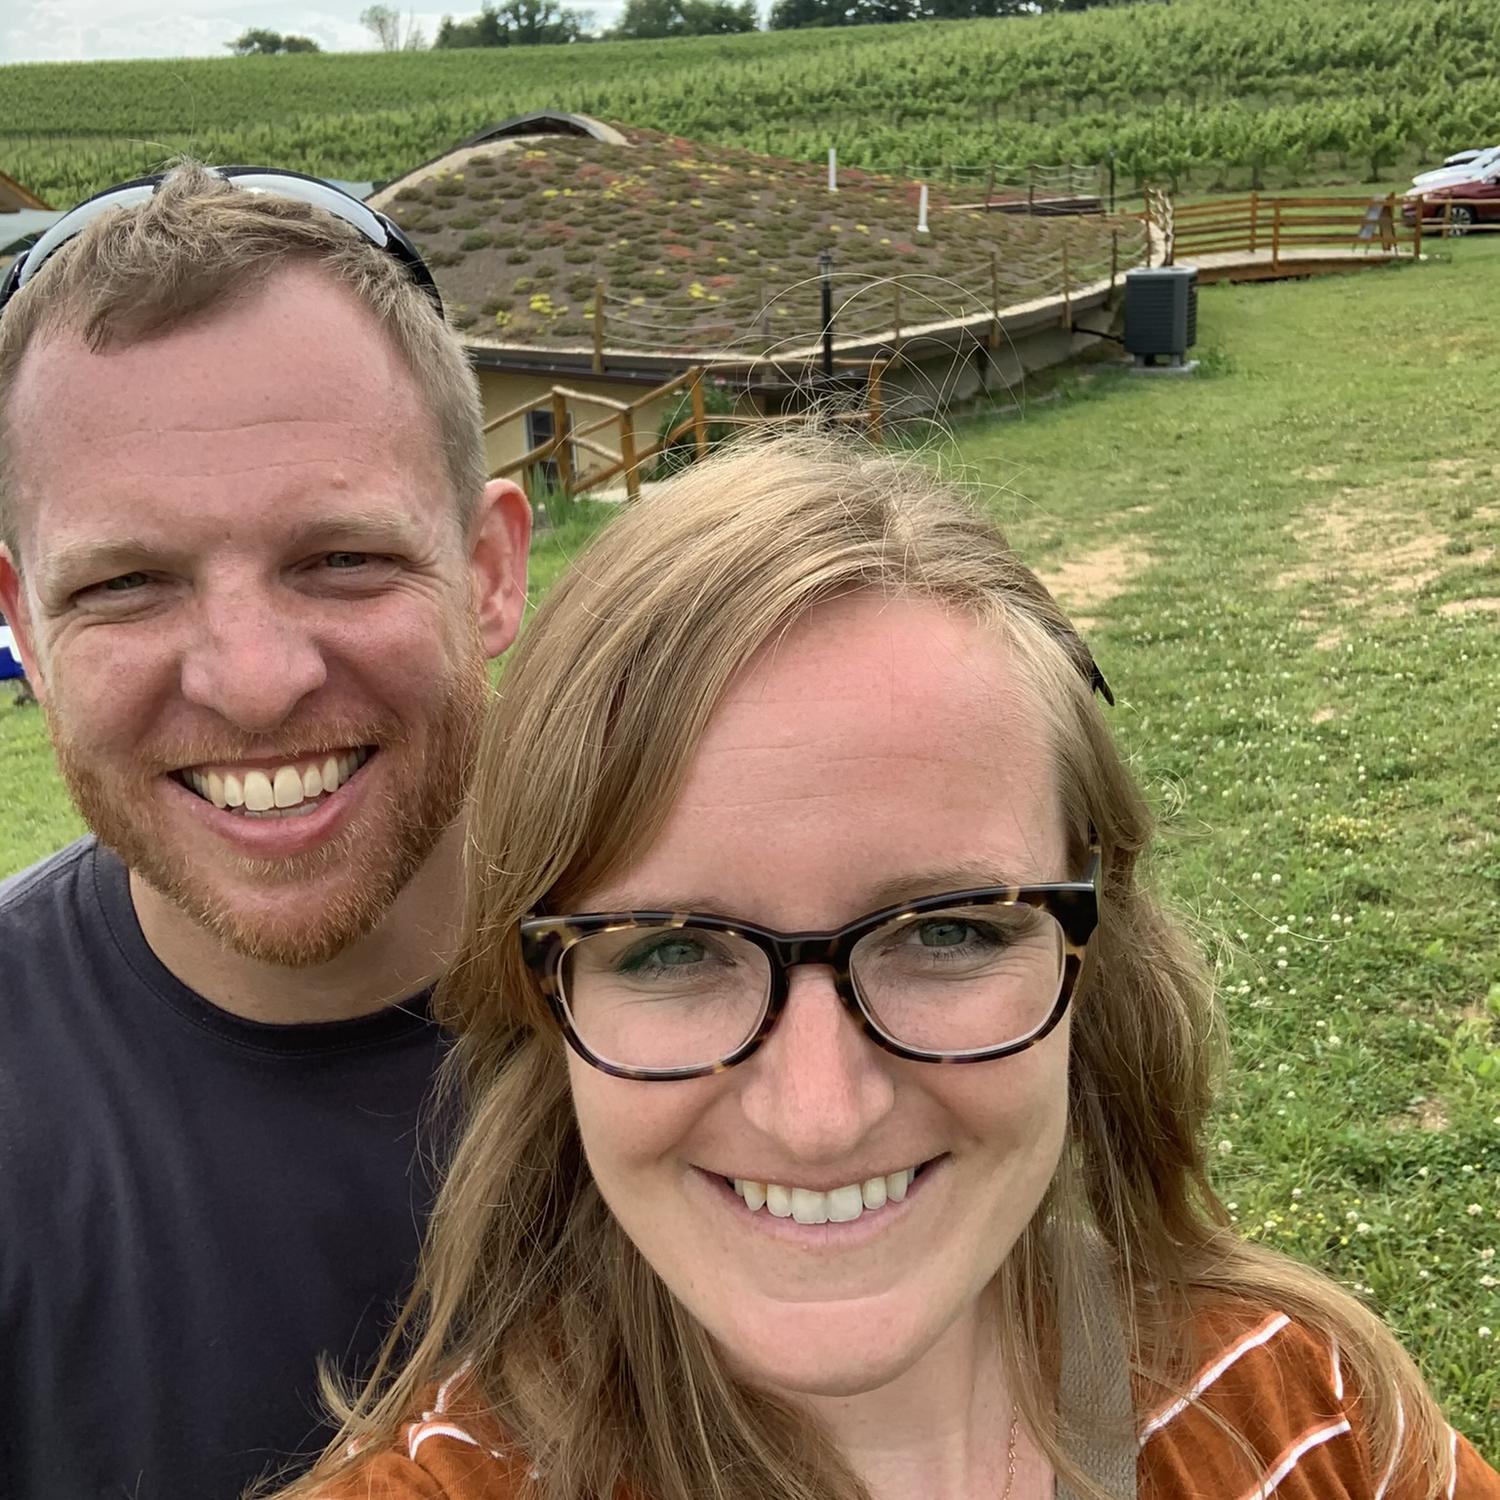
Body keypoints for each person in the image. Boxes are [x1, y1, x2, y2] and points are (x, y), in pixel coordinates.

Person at [265, 434, 1498, 1500]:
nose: (818, 1115)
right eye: (675, 949)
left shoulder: (1309, 1422)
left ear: (1092, 943)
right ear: (546, 995)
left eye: (948, 932)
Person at [0, 163, 531, 1499]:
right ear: (26, 631)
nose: (252, 679)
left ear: (488, 575)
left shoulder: (753, 994)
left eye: (341, 557)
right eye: (127, 584)